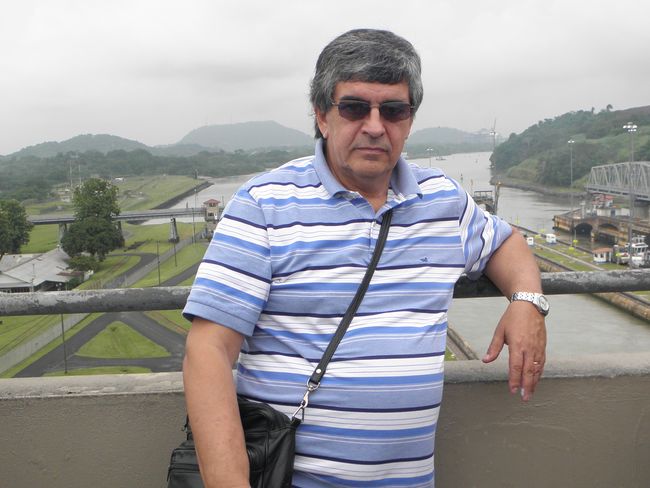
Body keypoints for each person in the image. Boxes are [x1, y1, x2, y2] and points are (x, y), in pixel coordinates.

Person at [182, 28, 547, 488]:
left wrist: (527, 301)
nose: (375, 126)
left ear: (409, 121)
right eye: (355, 108)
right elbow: (208, 351)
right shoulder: (264, 204)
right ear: (322, 115)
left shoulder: (443, 200)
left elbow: (505, 243)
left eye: (393, 110)